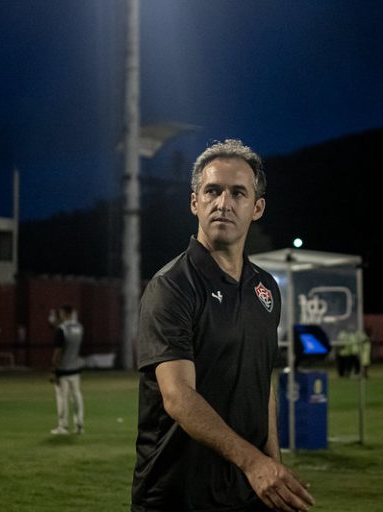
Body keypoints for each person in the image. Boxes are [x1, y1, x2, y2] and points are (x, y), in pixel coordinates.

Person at [131, 139, 315, 512]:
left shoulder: (266, 289)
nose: (223, 203)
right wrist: (255, 463)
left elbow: (262, 383)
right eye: (212, 191)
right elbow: (178, 397)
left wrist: (272, 465)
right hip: (177, 495)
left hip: (245, 492)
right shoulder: (172, 286)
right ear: (194, 202)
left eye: (238, 193)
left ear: (257, 207)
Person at [49, 304, 85, 435]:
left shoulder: (61, 329)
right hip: (75, 367)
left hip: (63, 369)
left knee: (62, 398)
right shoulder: (79, 327)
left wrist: (53, 369)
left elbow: (58, 351)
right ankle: (79, 425)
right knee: (77, 396)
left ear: (63, 313)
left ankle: (63, 426)